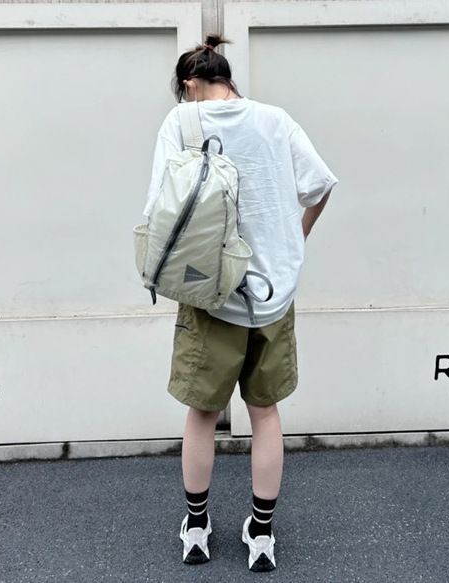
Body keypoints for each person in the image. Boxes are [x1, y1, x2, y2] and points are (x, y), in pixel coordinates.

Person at [142, 32, 338, 572]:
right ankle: (262, 533)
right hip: (273, 292)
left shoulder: (181, 122)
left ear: (189, 84)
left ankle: (197, 528)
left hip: (210, 293)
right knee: (266, 413)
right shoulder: (275, 120)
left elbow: (157, 208)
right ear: (228, 79)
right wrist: (294, 240)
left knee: (203, 413)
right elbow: (321, 185)